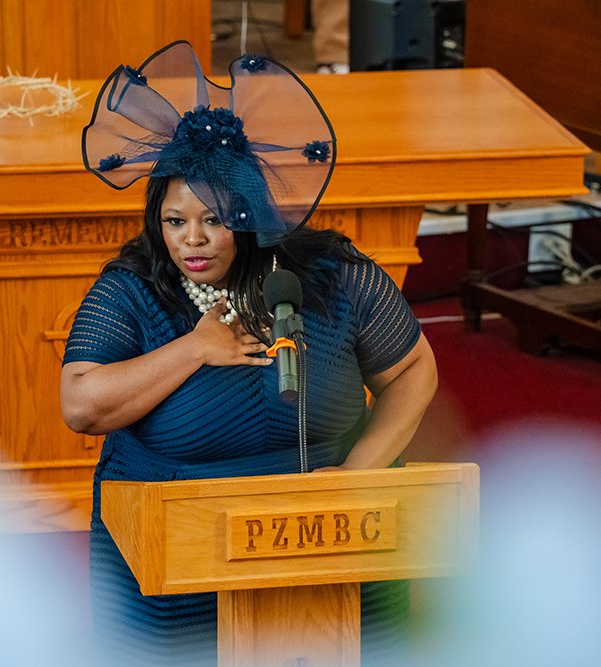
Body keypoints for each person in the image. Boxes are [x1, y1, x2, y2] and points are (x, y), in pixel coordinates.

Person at [63, 41, 437, 665]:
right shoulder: (134, 289)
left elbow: (413, 369)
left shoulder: (333, 277)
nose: (193, 240)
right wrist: (193, 348)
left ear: (251, 213)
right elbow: (81, 405)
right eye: (175, 221)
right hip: (178, 549)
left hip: (336, 532)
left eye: (213, 219)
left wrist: (360, 473)